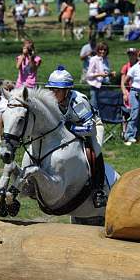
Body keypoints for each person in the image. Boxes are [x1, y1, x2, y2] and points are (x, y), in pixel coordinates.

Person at [45, 66, 107, 208]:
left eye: (57, 90)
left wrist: (70, 127)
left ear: (66, 91)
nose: (53, 93)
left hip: (92, 127)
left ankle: (98, 190)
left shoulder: (78, 101)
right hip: (68, 129)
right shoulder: (52, 101)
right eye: (51, 89)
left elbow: (90, 129)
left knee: (94, 151)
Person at [86, 42, 115, 110]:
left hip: (105, 86)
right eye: (101, 49)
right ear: (98, 50)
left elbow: (105, 73)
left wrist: (110, 74)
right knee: (94, 105)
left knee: (104, 106)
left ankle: (102, 119)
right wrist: (100, 75)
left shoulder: (107, 60)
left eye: (105, 50)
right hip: (96, 86)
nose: (103, 51)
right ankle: (94, 120)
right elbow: (88, 75)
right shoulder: (93, 59)